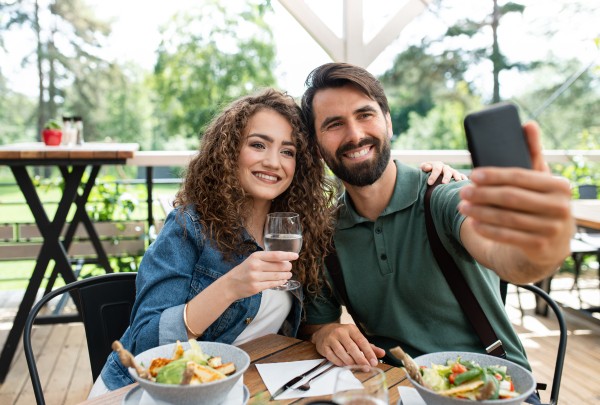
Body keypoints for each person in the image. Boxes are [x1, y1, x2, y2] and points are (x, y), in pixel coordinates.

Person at [89, 88, 464, 397]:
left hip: (248, 387)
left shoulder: (301, 229)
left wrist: (324, 332)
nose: (273, 162)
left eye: (288, 151)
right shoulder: (188, 226)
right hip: (155, 392)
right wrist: (231, 286)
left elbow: (301, 323)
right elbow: (142, 346)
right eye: (258, 145)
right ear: (229, 151)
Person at [298, 63, 573, 405]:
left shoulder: (443, 194)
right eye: (334, 124)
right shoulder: (323, 235)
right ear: (315, 143)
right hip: (397, 388)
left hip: (492, 389)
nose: (354, 135)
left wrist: (541, 244)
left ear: (388, 121)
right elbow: (315, 324)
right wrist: (325, 331)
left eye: (365, 114)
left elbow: (512, 260)